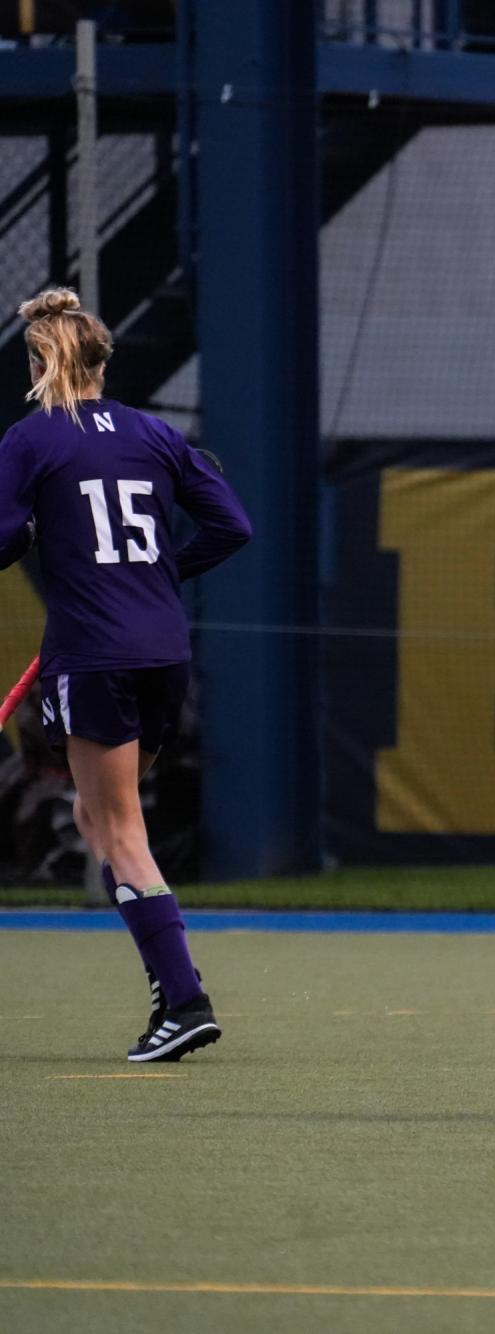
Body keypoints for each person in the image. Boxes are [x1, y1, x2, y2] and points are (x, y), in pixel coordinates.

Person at [0, 287, 251, 1062]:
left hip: (95, 655)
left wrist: (40, 531)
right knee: (96, 824)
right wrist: (161, 572)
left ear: (44, 361)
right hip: (162, 654)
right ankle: (165, 983)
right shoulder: (155, 433)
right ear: (102, 363)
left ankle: (186, 1000)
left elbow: (4, 541)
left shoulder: (30, 439)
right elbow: (232, 525)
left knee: (118, 829)